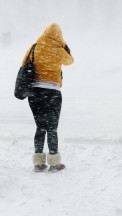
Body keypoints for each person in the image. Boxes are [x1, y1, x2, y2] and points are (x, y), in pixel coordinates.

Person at [22, 23, 73, 172]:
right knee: (52, 128)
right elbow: (70, 61)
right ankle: (54, 162)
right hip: (52, 92)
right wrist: (64, 47)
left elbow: (24, 63)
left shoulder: (35, 47)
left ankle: (38, 163)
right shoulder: (58, 49)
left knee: (40, 127)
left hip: (35, 93)